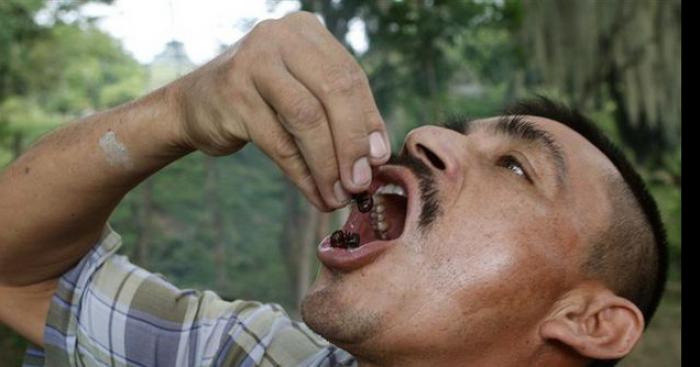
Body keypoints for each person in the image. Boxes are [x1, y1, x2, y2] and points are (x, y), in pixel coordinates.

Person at [0, 11, 667, 367]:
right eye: (462, 129)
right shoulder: (252, 353)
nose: (429, 133)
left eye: (517, 166)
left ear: (590, 322)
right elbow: (19, 274)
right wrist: (176, 111)